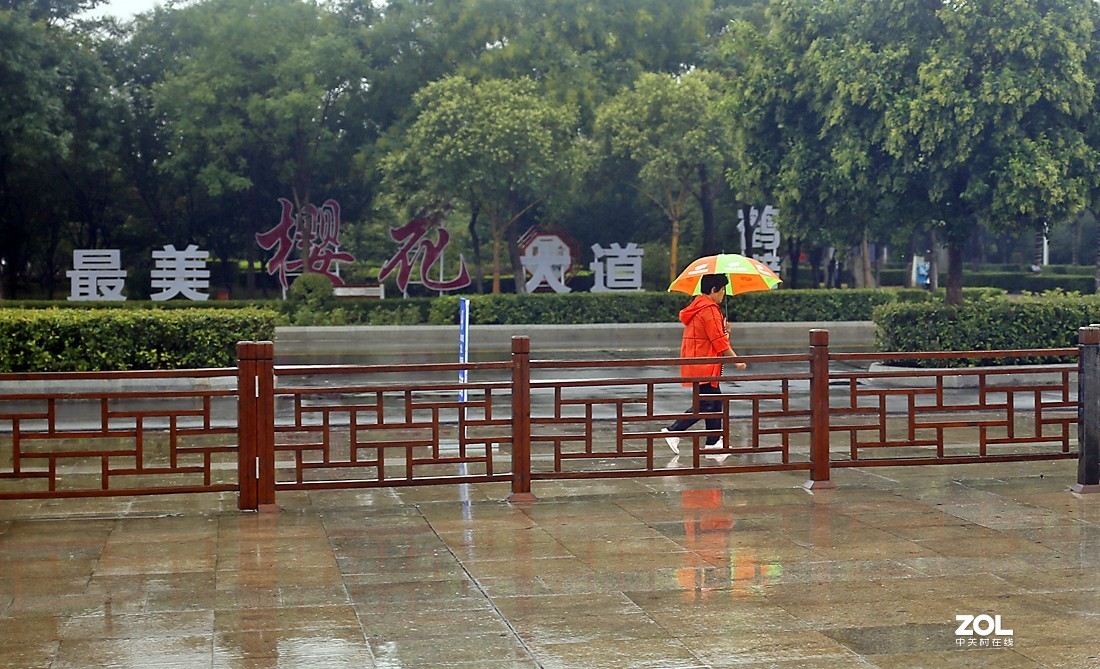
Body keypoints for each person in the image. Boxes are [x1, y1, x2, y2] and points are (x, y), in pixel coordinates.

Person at [662, 273, 746, 459]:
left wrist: (725, 331)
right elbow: (718, 342)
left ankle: (713, 443)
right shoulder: (709, 309)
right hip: (705, 364)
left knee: (715, 402)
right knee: (707, 404)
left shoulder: (698, 307)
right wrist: (736, 360)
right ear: (713, 290)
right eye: (722, 290)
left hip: (699, 362)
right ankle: (674, 430)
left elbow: (714, 337)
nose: (724, 294)